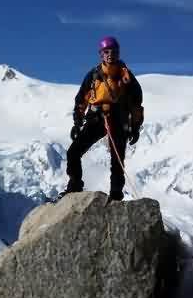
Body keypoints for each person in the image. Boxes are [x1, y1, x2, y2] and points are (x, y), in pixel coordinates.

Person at [59, 36, 144, 202]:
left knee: (117, 162)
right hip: (96, 118)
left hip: (118, 119)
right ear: (101, 54)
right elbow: (81, 100)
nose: (110, 54)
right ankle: (75, 185)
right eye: (107, 51)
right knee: (73, 152)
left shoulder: (127, 78)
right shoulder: (93, 76)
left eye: (113, 51)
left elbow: (136, 103)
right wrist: (77, 122)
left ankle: (116, 196)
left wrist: (135, 126)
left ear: (118, 53)